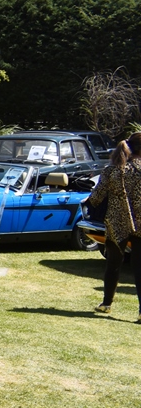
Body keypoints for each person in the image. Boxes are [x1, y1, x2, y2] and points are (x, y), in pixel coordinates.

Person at [85, 135, 141, 322]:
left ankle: (106, 304)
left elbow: (96, 197)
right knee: (139, 267)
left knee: (113, 264)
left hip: (117, 222)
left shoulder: (112, 170)